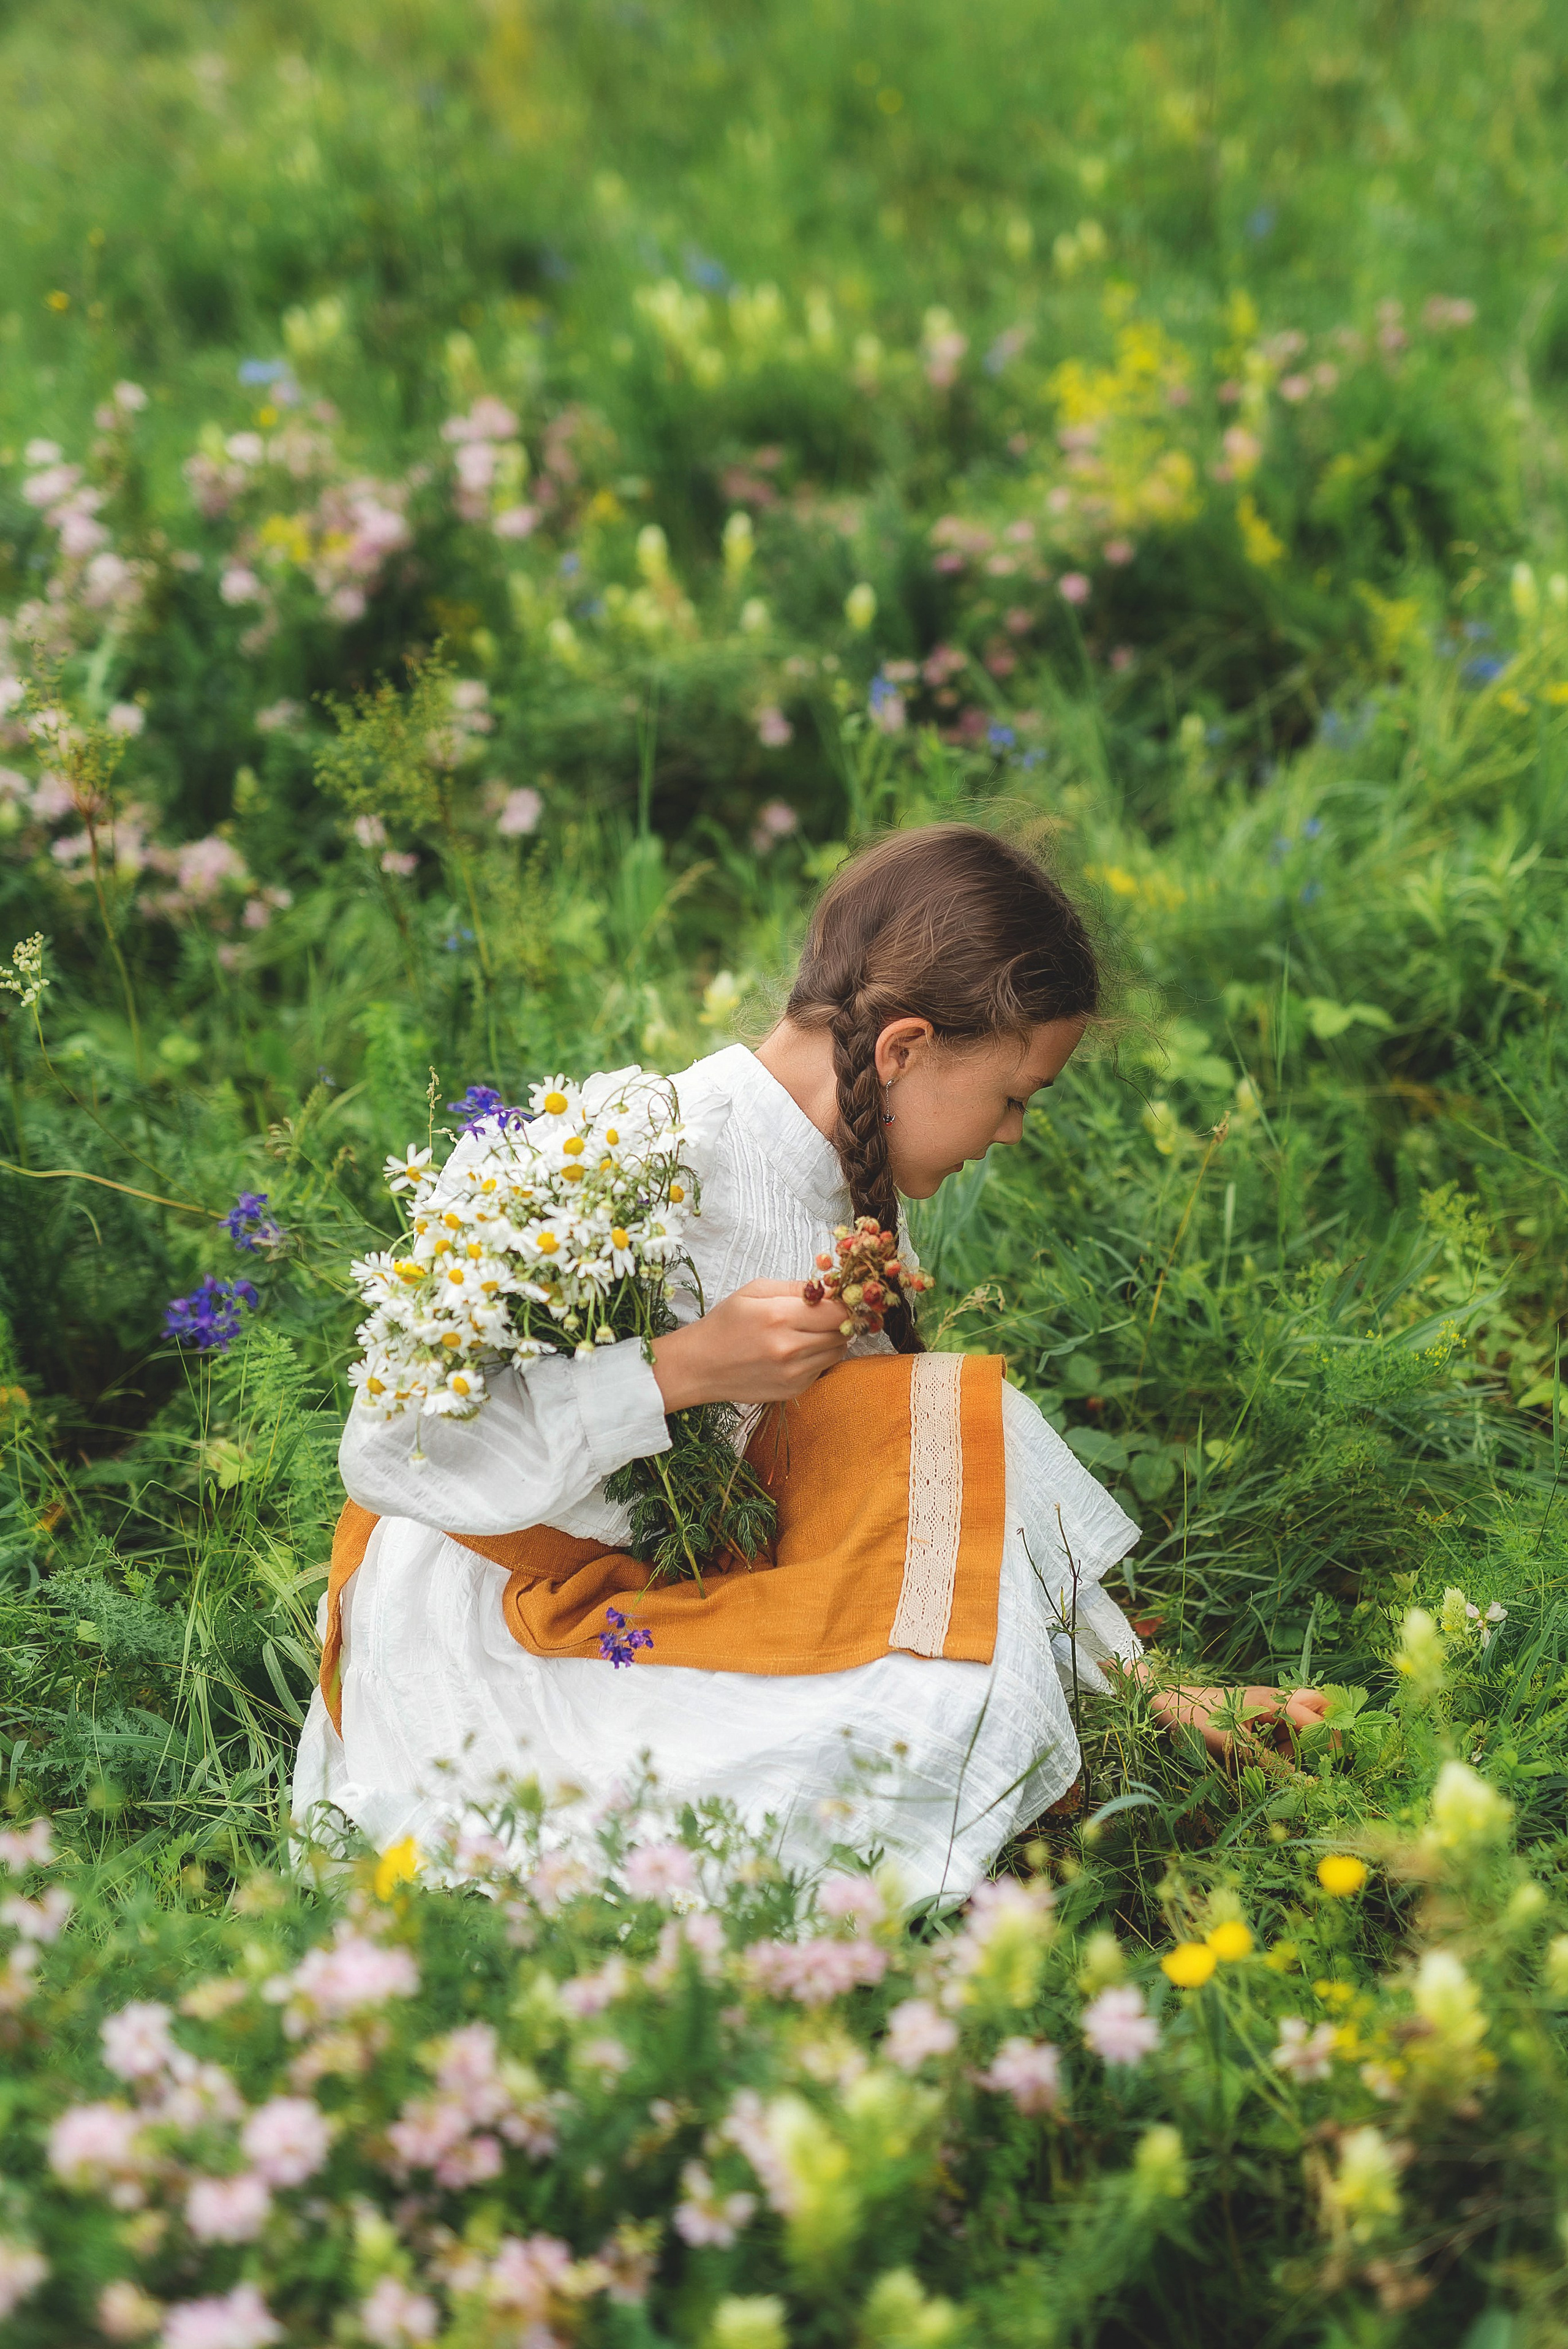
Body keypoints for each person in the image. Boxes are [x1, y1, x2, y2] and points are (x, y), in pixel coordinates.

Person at [292, 824, 1326, 1902]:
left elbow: (938, 1488)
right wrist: (679, 1368)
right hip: (522, 1610)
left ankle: (1105, 1706)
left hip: (705, 1565)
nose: (1015, 1133)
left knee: (931, 1451)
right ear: (905, 1049)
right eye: (1015, 1096)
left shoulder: (850, 1186)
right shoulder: (616, 1148)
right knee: (851, 1751)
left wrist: (1137, 1683)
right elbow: (388, 1446)